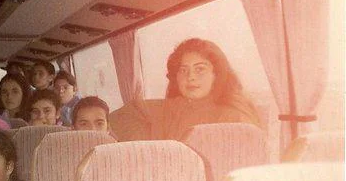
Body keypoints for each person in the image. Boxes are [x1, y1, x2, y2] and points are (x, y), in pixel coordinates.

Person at [110, 38, 262, 141]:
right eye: (183, 70)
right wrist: (146, 149)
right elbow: (119, 117)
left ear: (216, 74)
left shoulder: (235, 115)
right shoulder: (169, 107)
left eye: (200, 69)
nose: (191, 77)